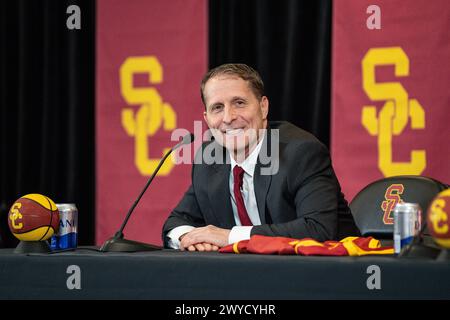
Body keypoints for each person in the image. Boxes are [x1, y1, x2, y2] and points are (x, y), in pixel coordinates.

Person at [162, 63, 359, 251]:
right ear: (206, 119)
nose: (228, 117)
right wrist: (189, 239)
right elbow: (176, 223)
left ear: (263, 107)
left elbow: (318, 230)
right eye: (217, 108)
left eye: (239, 103)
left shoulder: (301, 153)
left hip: (328, 277)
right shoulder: (209, 160)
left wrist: (229, 237)